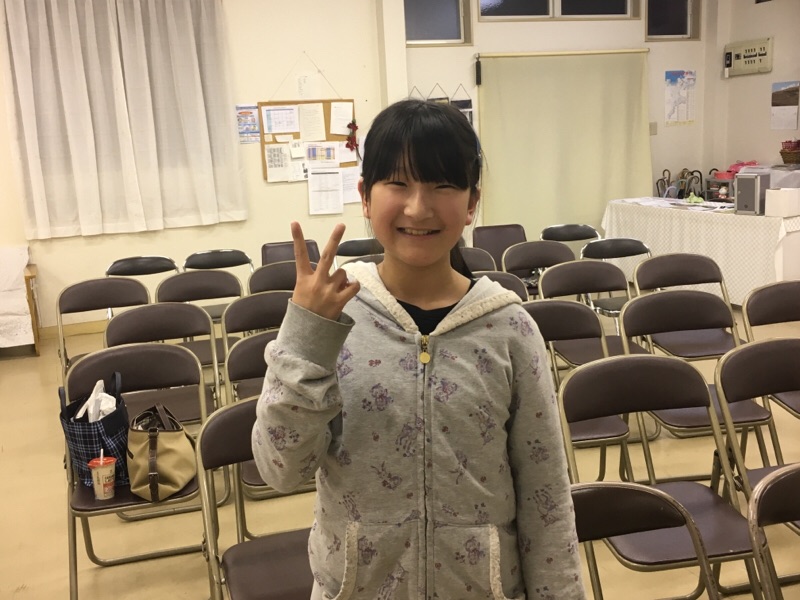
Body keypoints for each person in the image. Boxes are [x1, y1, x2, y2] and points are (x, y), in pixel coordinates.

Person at [252, 99, 585, 599]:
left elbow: (546, 497)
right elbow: (280, 470)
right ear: (365, 196)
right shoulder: (328, 321)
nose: (418, 208)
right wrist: (305, 339)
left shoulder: (509, 329)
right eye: (398, 183)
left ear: (472, 202)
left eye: (443, 185)